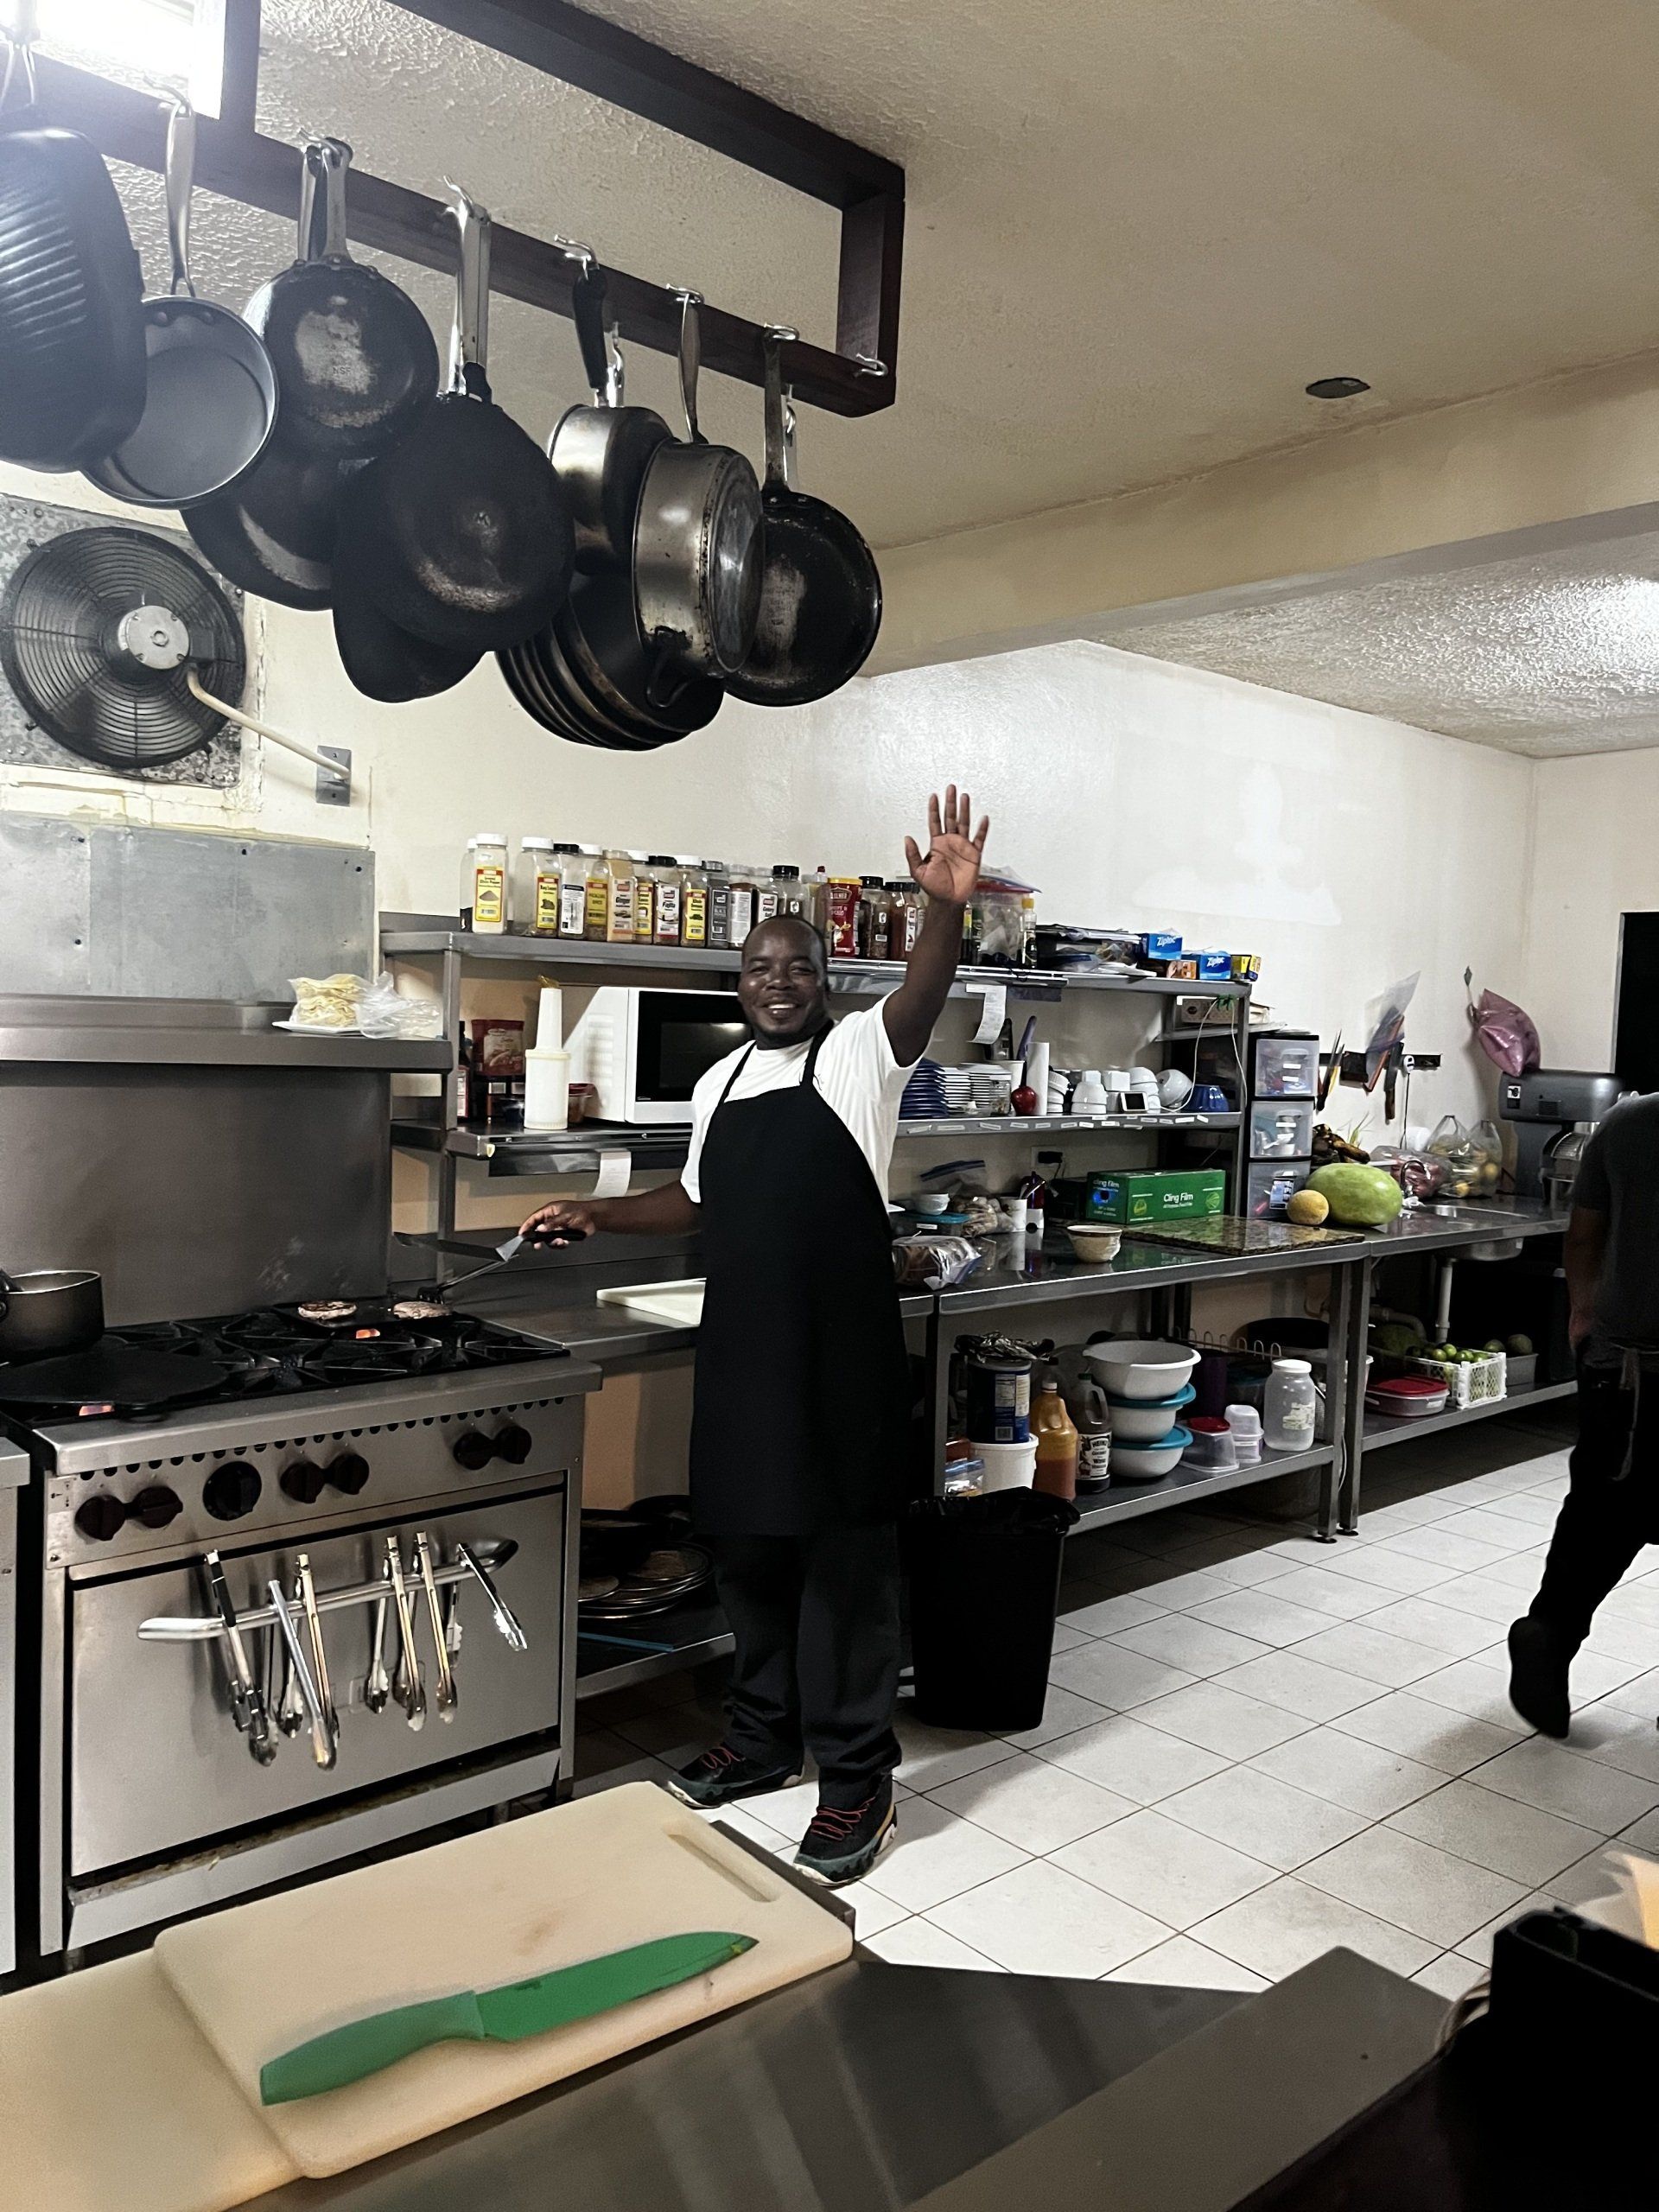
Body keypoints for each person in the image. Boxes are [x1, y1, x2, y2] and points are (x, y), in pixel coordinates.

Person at [523, 788, 989, 1883]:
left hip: (840, 1358)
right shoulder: (718, 1079)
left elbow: (924, 994)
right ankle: (763, 1737)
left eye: (797, 968)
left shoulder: (863, 1060)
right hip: (742, 1355)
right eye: (758, 969)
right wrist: (596, 1211)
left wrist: (944, 911)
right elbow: (690, 1201)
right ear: (739, 985)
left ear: (823, 983)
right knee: (747, 1552)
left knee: (843, 1568)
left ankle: (857, 1781)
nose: (778, 983)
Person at [1509, 1093, 1659, 1738]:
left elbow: (1584, 1233)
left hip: (1623, 1365)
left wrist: (1583, 1314)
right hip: (1628, 1360)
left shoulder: (1630, 1121)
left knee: (1599, 1511)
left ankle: (1548, 1635)